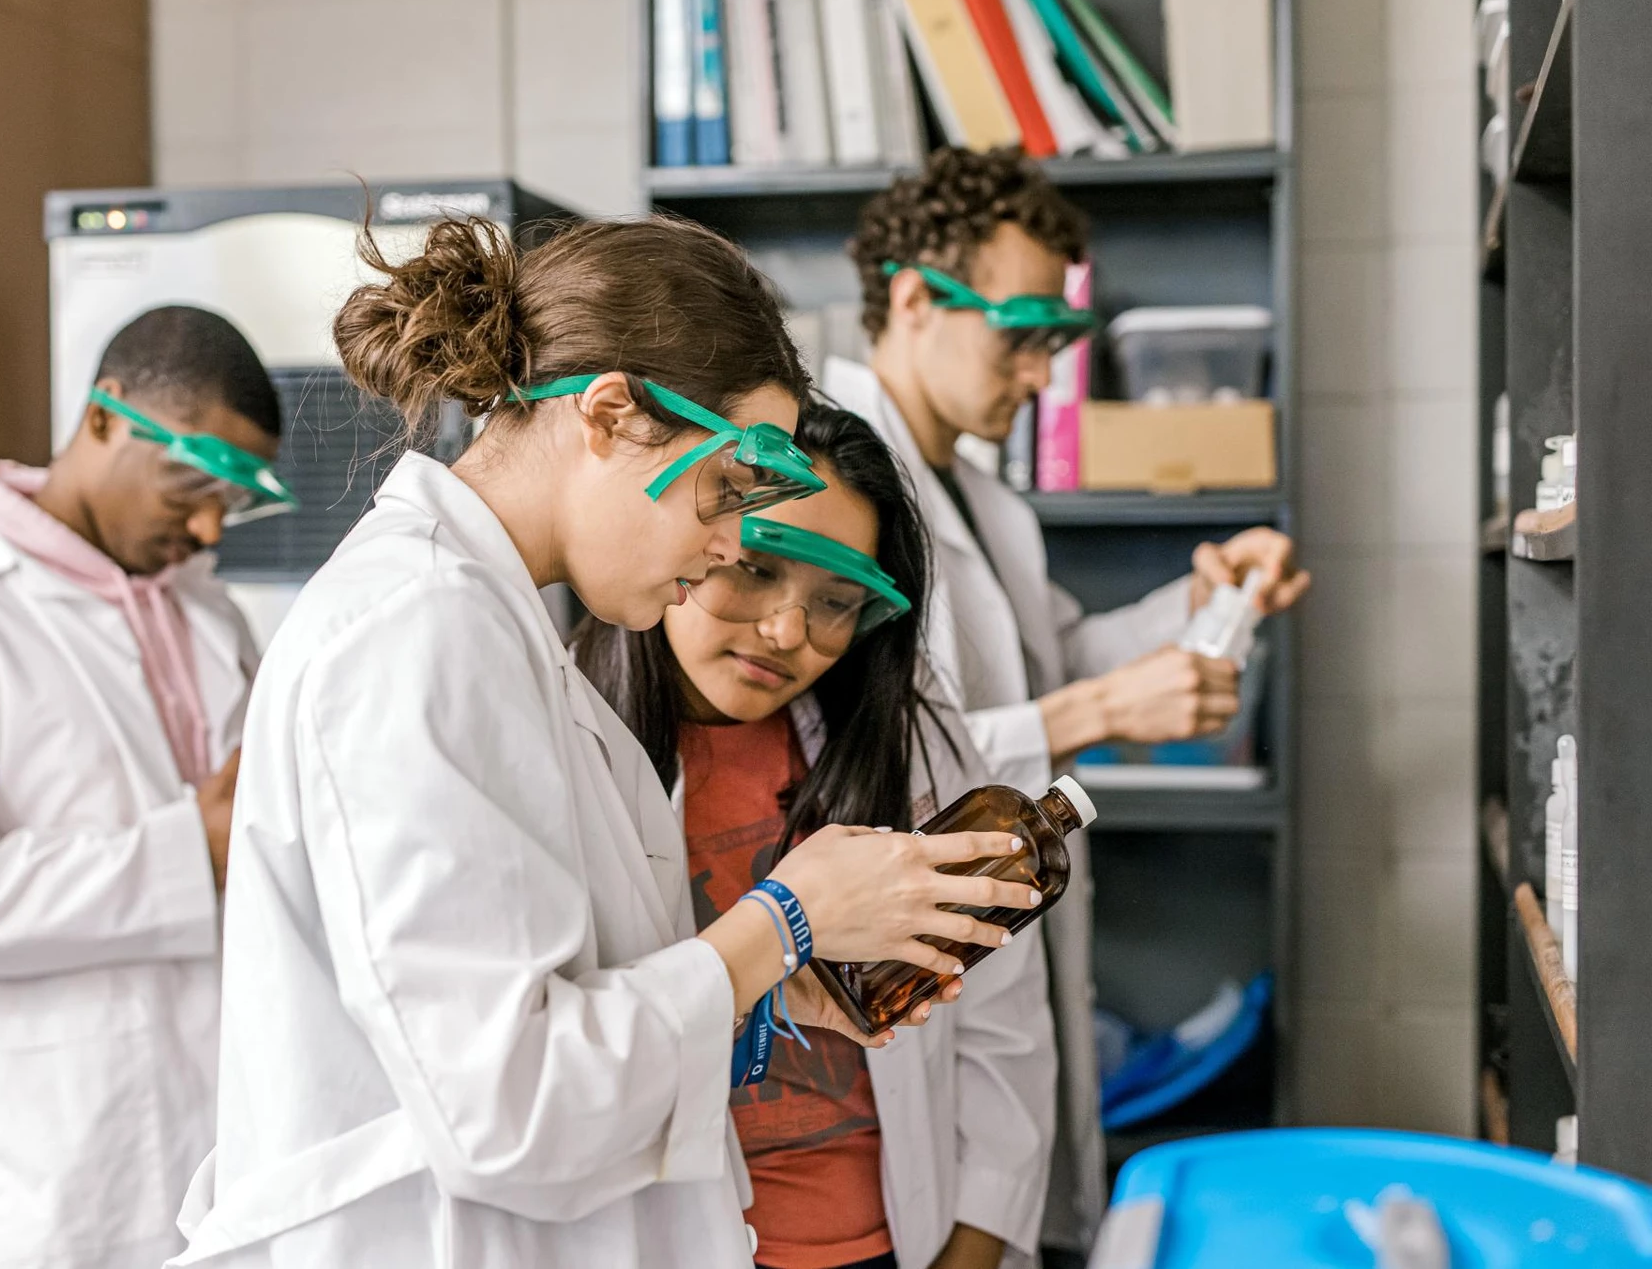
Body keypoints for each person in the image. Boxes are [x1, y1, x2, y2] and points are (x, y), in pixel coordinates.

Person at [175, 215, 1052, 1269]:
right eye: (729, 486)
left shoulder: (491, 630)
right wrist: (784, 918)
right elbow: (509, 1102)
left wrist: (764, 987)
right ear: (612, 414)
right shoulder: (418, 628)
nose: (732, 541)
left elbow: (564, 1006)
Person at [822, 146, 1311, 1263]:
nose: (1043, 374)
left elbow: (1053, 654)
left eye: (1056, 341)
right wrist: (1095, 709)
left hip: (995, 977)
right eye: (1021, 333)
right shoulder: (836, 486)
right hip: (889, 1002)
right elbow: (875, 759)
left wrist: (1198, 600)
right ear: (912, 298)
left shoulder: (988, 497)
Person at [0, 305, 295, 1269]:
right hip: (52, 1151)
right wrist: (186, 856)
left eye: (235, 499)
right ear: (105, 419)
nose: (209, 523)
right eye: (193, 482)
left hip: (230, 1123)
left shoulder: (210, 616)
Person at [575, 405, 1059, 1269]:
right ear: (691, 542)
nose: (789, 633)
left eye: (836, 601)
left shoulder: (914, 746)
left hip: (890, 1242)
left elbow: (1002, 1035)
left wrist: (969, 1254)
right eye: (755, 572)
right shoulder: (567, 738)